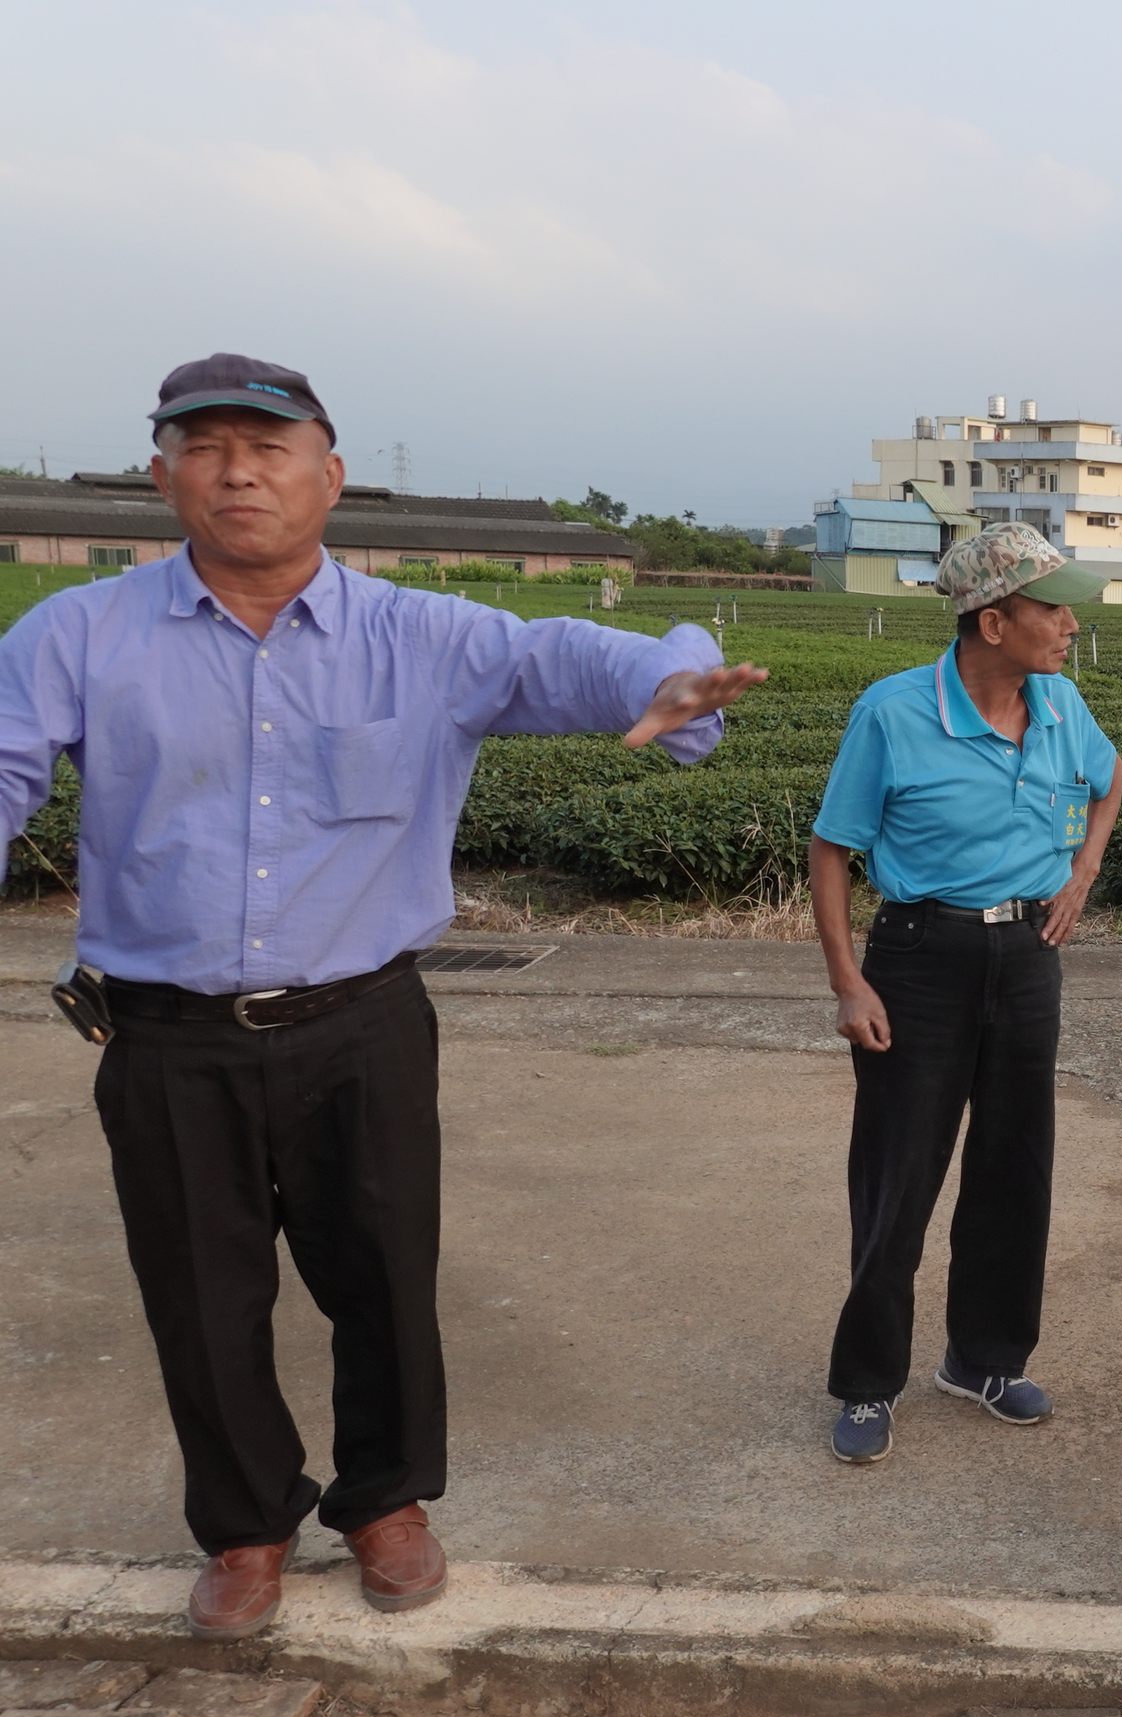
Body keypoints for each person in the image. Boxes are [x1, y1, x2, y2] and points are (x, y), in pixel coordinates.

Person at [0, 354, 764, 1638]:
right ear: (163, 476)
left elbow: (587, 655)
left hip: (360, 1023)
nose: (238, 472)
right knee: (200, 1293)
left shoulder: (427, 636)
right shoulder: (76, 635)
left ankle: (387, 1502)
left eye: (269, 448)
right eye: (205, 448)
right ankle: (245, 1526)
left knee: (384, 1276)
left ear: (330, 476)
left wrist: (674, 679)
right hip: (168, 1033)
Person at [808, 524, 1122, 1466]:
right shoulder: (893, 713)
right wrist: (848, 982)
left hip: (1028, 956)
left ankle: (984, 1359)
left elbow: (1110, 781)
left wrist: (1082, 874)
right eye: (1053, 609)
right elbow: (831, 848)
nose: (1070, 626)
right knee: (898, 1174)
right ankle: (869, 1381)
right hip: (921, 958)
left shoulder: (1062, 704)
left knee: (1014, 1166)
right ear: (994, 621)